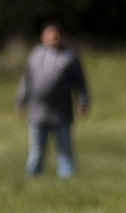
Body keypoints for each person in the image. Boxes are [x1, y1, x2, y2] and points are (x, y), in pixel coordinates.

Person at [16, 20, 90, 178]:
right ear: (43, 37)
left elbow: (80, 82)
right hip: (37, 111)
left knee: (65, 149)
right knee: (37, 150)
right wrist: (21, 100)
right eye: (50, 35)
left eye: (57, 35)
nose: (54, 38)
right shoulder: (35, 54)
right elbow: (26, 80)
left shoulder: (70, 57)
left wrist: (83, 101)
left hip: (61, 112)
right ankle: (33, 177)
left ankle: (67, 177)